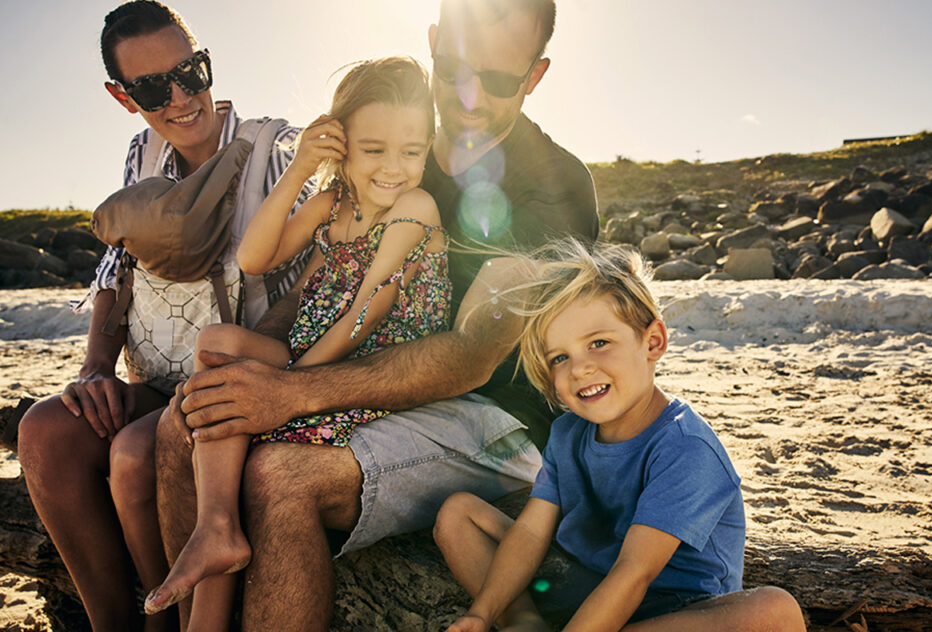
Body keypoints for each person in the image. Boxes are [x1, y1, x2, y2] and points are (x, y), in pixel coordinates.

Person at [153, 0, 599, 628]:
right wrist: (256, 375)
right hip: (373, 384)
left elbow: (473, 354)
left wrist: (291, 390)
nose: (469, 96)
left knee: (281, 476)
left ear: (536, 75)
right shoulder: (393, 153)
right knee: (189, 419)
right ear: (433, 43)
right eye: (454, 69)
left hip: (496, 419)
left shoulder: (552, 184)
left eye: (497, 81)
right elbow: (314, 286)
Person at [16, 2, 311, 630]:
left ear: (206, 60)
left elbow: (322, 278)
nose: (181, 98)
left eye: (191, 71)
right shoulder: (140, 155)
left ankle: (161, 615)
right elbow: (115, 274)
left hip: (240, 386)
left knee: (130, 453)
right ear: (123, 97)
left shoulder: (276, 148)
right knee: (44, 433)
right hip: (155, 382)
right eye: (153, 87)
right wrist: (96, 367)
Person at [140, 56, 450, 620]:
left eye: (413, 151)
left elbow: (365, 317)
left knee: (236, 395)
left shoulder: (415, 207)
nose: (395, 168)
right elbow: (255, 257)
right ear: (342, 145)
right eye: (374, 149)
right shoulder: (333, 202)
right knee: (216, 344)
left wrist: (282, 384)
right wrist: (301, 165)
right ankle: (216, 527)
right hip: (309, 351)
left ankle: (214, 553)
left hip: (364, 368)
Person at [434, 241, 807, 632]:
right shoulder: (567, 433)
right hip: (586, 586)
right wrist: (483, 611)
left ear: (653, 343)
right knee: (459, 514)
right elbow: (530, 532)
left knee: (775, 610)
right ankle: (523, 624)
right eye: (559, 357)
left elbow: (634, 573)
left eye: (599, 343)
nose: (579, 369)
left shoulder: (685, 447)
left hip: (674, 611)